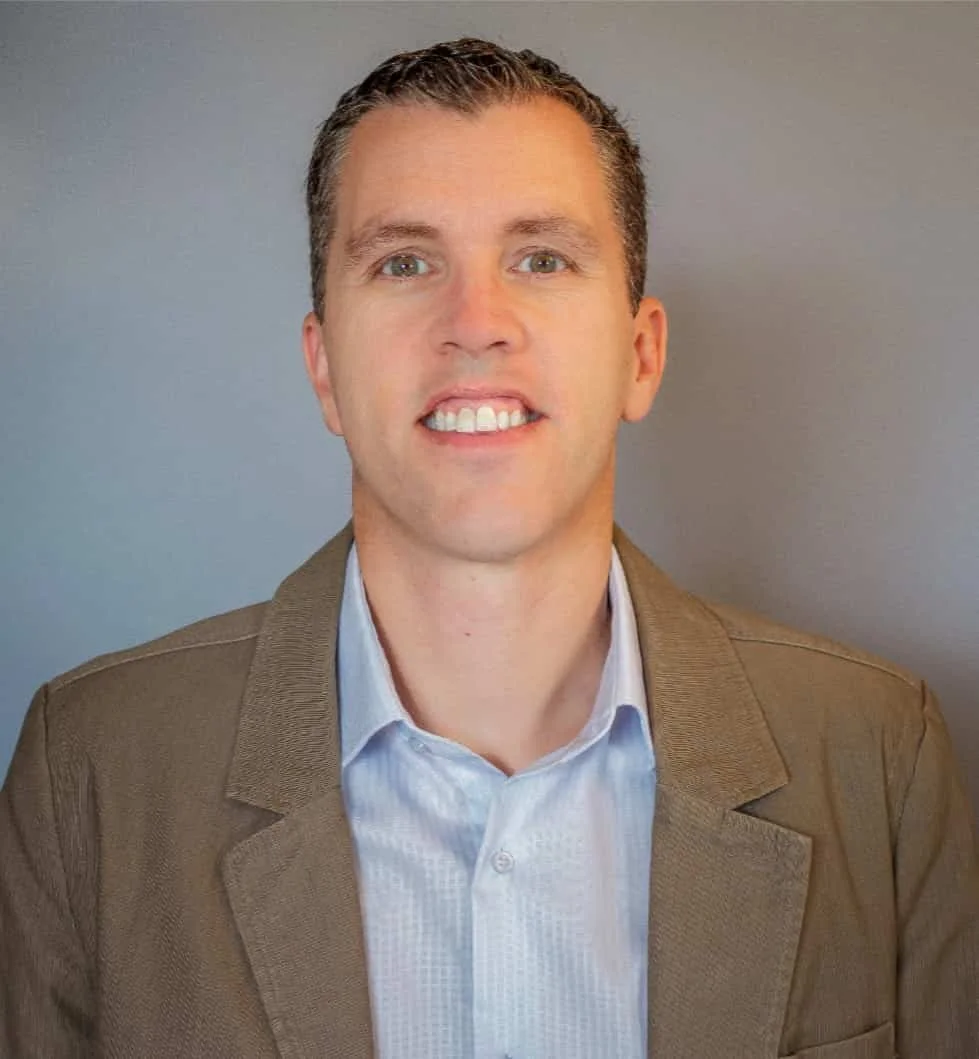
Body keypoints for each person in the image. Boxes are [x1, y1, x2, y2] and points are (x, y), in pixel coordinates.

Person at [2, 37, 976, 1059]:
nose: (477, 323)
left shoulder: (876, 754)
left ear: (640, 356)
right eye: (405, 262)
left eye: (541, 259)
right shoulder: (93, 767)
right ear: (326, 367)